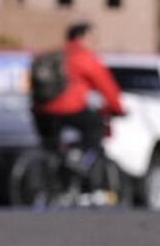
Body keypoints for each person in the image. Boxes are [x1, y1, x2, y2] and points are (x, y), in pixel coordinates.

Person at [32, 22, 125, 164]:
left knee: (51, 149)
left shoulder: (53, 55)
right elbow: (107, 87)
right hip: (69, 109)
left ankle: (49, 173)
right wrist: (117, 109)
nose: (95, 42)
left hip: (41, 110)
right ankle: (81, 164)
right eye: (93, 38)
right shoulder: (84, 57)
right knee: (96, 127)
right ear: (82, 37)